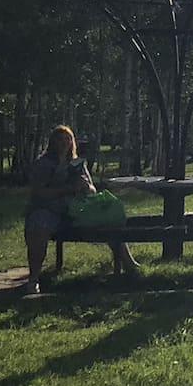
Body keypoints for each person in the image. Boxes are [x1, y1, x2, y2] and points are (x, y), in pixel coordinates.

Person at [24, 124, 135, 292]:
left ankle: (129, 266)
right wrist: (66, 189)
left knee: (109, 219)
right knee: (38, 226)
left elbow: (91, 189)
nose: (64, 143)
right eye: (60, 140)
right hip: (48, 209)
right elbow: (39, 192)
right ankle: (34, 279)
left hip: (77, 209)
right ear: (52, 143)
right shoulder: (43, 163)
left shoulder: (77, 163)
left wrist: (84, 187)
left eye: (67, 139)